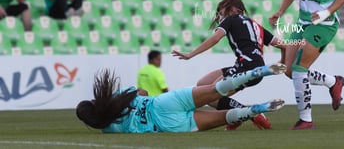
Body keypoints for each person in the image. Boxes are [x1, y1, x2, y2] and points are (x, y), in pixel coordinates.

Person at [268, 0, 344, 130]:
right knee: (288, 71)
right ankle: (332, 82)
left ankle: (306, 119)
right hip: (302, 21)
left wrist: (325, 12)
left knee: (299, 69)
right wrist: (280, 11)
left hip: (324, 24)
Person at [172, 0, 287, 130]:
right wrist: (283, 62)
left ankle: (250, 114)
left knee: (210, 95)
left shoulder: (231, 19)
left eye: (221, 12)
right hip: (252, 66)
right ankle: (237, 118)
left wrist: (191, 54)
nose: (221, 17)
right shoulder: (256, 25)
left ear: (232, 9)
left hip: (246, 66)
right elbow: (284, 45)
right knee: (202, 84)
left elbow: (215, 38)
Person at [76, 65, 286, 133]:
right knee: (213, 90)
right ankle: (256, 72)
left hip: (166, 125)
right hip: (162, 103)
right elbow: (142, 92)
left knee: (224, 117)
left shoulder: (107, 128)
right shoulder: (115, 98)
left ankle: (256, 109)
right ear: (94, 102)